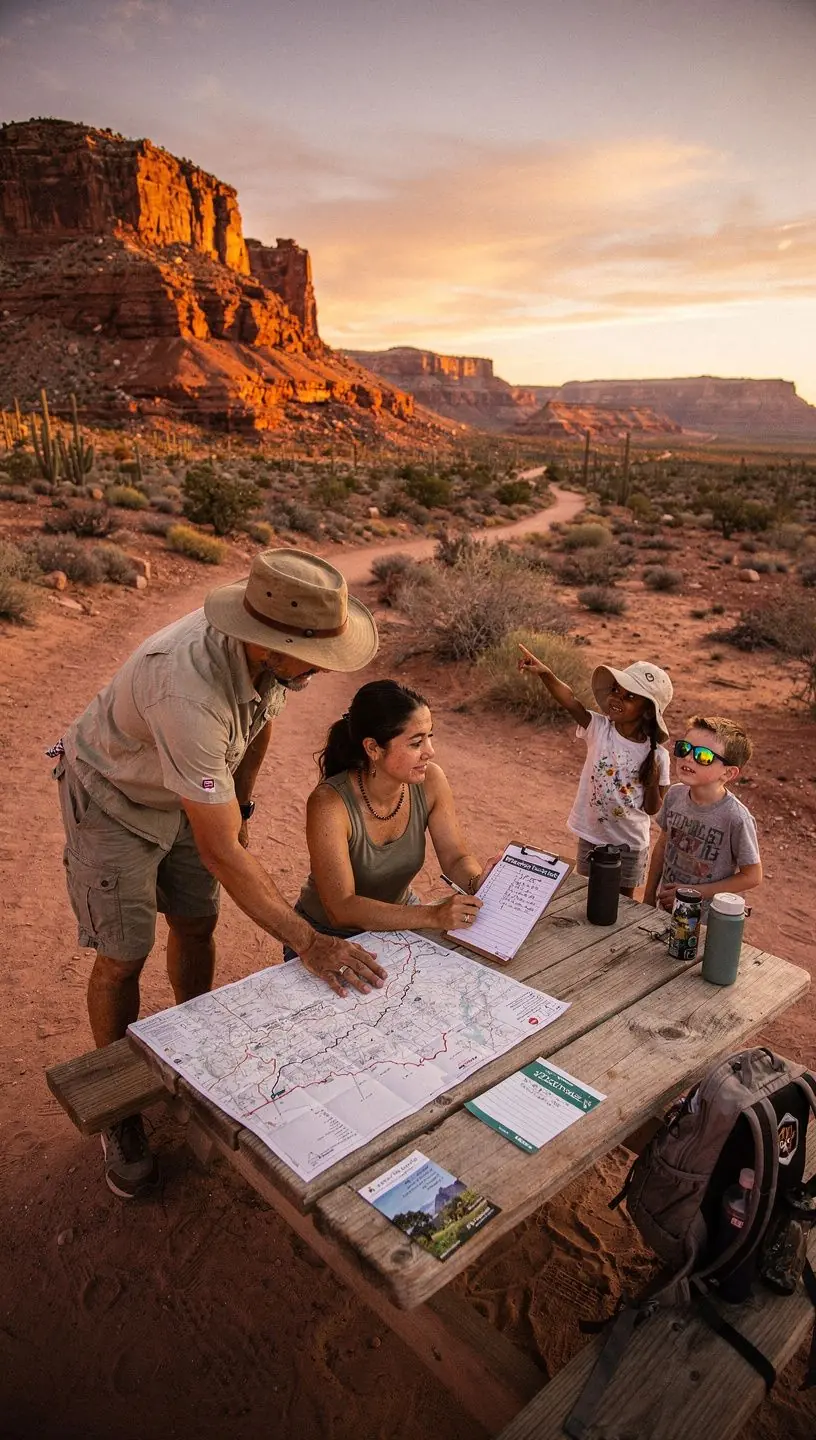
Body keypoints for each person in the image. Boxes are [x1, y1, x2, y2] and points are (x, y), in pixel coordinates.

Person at [52, 548, 387, 1199]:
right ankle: (119, 1115)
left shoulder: (273, 667)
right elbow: (223, 855)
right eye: (317, 656)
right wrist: (311, 942)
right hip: (112, 799)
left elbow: (257, 731)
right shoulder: (186, 690)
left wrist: (242, 805)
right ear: (272, 645)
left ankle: (191, 1053)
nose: (324, 668)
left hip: (190, 788)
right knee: (124, 954)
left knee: (197, 921)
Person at [292, 679, 494, 942]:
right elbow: (341, 907)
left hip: (401, 920)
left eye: (429, 737)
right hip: (327, 937)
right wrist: (432, 915)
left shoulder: (431, 780)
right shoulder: (329, 803)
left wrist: (477, 883)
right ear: (373, 748)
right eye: (416, 743)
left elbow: (456, 858)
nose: (429, 752)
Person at [518, 648, 673, 897]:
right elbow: (570, 701)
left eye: (629, 696)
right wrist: (546, 674)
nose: (617, 698)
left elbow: (653, 809)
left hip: (629, 845)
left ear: (647, 711)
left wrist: (653, 783)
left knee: (622, 904)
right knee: (587, 895)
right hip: (592, 836)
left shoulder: (657, 756)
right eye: (615, 690)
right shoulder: (599, 729)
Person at [643, 715, 762, 915]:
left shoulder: (735, 817)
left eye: (703, 756)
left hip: (708, 921)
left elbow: (752, 876)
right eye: (684, 749)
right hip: (665, 909)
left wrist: (695, 892)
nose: (688, 758)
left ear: (728, 773)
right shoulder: (674, 795)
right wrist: (648, 897)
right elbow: (663, 845)